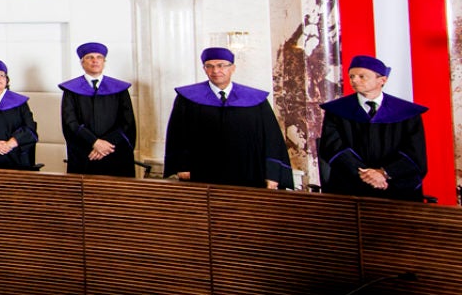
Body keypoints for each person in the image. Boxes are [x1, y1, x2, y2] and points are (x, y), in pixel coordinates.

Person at [164, 47, 293, 189]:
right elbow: (177, 134)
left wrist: (272, 173)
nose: (215, 71)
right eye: (210, 66)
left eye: (221, 65)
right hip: (202, 171)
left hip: (248, 172)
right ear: (204, 69)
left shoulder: (255, 100)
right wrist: (182, 165)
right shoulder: (188, 98)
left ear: (232, 68)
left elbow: (272, 138)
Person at [317, 54, 427, 201]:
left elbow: (414, 153)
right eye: (352, 76)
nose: (354, 80)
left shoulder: (406, 112)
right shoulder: (337, 111)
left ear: (382, 80)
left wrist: (384, 173)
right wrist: (366, 174)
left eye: (362, 76)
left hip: (395, 188)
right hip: (350, 186)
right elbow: (332, 147)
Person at [57, 42, 136, 177]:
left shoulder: (119, 89)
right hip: (86, 153)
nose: (95, 61)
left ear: (104, 62)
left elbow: (127, 122)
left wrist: (106, 145)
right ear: (82, 63)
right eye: (90, 57)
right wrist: (94, 142)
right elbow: (70, 122)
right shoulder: (71, 90)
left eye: (99, 57)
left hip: (115, 151)